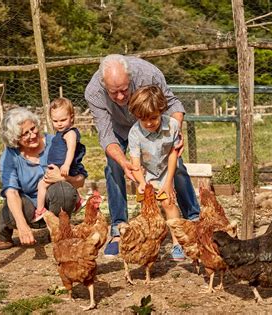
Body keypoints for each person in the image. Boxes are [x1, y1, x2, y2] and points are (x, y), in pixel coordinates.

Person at [84, 54, 200, 258]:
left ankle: (193, 219)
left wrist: (176, 134)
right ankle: (119, 228)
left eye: (124, 90)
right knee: (113, 166)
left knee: (177, 164)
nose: (120, 97)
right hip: (120, 129)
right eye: (114, 93)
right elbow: (105, 134)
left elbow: (172, 103)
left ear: (131, 79)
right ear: (104, 85)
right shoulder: (93, 92)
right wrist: (125, 163)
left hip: (154, 123)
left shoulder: (149, 73)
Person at [0, 107, 86, 250]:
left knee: (64, 190)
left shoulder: (57, 142)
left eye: (33, 128)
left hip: (52, 201)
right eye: (25, 134)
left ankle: (57, 230)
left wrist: (65, 178)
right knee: (12, 210)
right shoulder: (10, 156)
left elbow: (81, 179)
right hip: (28, 205)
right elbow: (11, 192)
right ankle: (4, 231)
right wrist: (22, 226)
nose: (32, 135)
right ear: (15, 138)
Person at [128, 85, 187, 260]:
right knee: (147, 208)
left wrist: (168, 183)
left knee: (168, 203)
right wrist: (141, 183)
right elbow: (135, 163)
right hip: (145, 173)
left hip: (165, 169)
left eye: (153, 118)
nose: (148, 123)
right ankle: (149, 243)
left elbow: (173, 154)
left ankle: (177, 243)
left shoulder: (172, 125)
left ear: (161, 110)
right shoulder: (134, 133)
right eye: (142, 119)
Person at [33, 97, 88, 222]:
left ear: (72, 118)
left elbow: (71, 150)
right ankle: (78, 200)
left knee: (42, 185)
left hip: (63, 166)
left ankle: (40, 210)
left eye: (63, 120)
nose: (59, 123)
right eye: (55, 121)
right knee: (63, 184)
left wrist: (67, 165)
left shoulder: (70, 133)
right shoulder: (60, 133)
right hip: (57, 166)